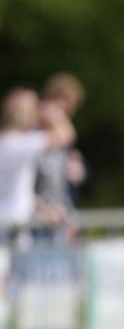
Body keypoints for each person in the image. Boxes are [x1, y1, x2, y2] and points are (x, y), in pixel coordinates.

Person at [0, 87, 75, 247]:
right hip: (10, 229)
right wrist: (53, 114)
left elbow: (17, 188)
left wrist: (42, 209)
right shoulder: (19, 144)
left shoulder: (8, 143)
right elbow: (65, 134)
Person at [34, 73, 87, 243]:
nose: (70, 112)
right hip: (38, 217)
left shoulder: (60, 144)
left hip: (60, 215)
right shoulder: (35, 137)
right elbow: (69, 134)